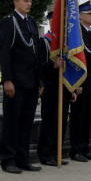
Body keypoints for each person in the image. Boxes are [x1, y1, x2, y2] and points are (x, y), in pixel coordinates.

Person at [0, 0, 43, 173]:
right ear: (16, 2)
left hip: (31, 80)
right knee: (12, 122)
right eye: (25, 0)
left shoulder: (31, 22)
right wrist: (7, 79)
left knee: (26, 122)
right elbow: (4, 52)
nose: (29, 4)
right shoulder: (9, 22)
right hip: (15, 81)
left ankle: (23, 158)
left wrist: (40, 81)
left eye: (30, 1)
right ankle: (8, 160)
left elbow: (36, 53)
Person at [69, 0, 91, 162]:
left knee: (88, 117)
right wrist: (77, 84)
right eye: (89, 13)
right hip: (80, 82)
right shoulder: (77, 34)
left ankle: (85, 148)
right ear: (80, 16)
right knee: (78, 118)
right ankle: (75, 150)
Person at [37, 13, 71, 166]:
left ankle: (56, 152)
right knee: (49, 121)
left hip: (64, 86)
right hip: (50, 86)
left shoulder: (66, 43)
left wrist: (72, 90)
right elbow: (40, 66)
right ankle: (45, 154)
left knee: (62, 121)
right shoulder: (44, 41)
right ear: (50, 22)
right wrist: (54, 65)